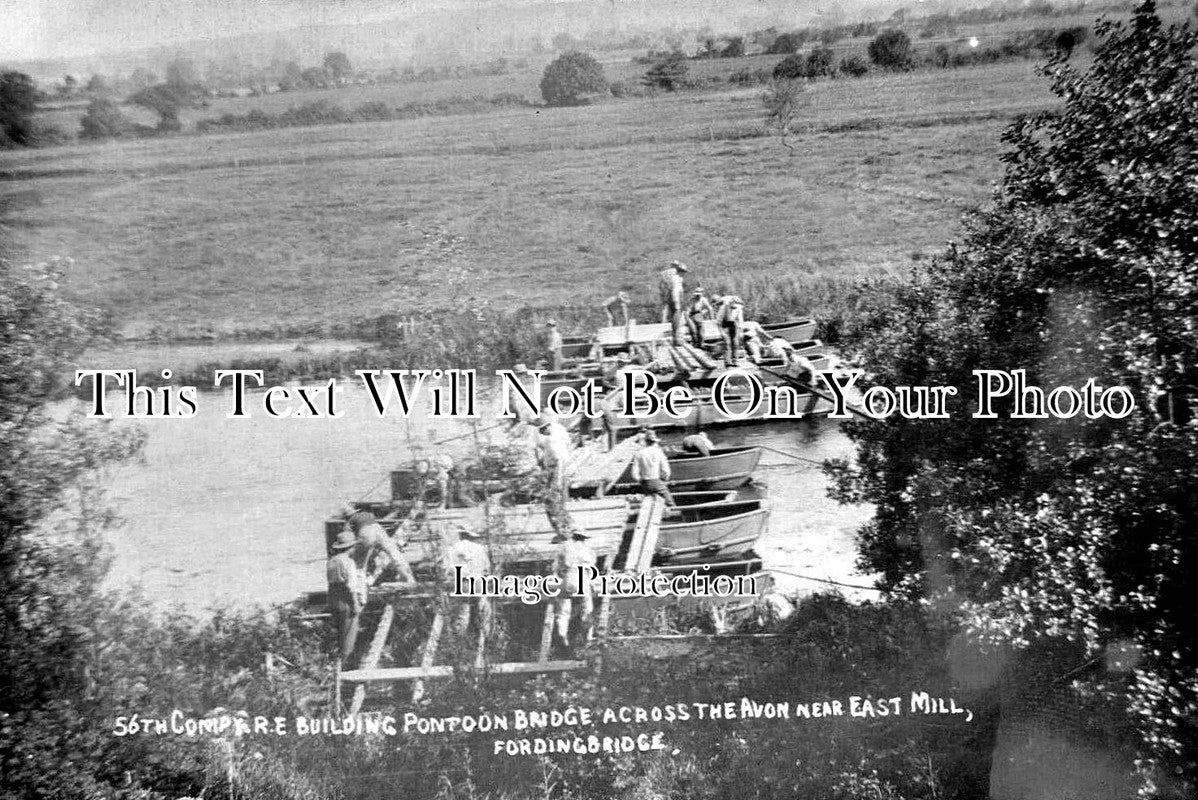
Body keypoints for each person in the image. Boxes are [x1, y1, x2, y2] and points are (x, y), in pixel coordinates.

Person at [327, 529, 367, 665]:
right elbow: (352, 586)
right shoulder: (349, 562)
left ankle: (336, 661)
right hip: (345, 600)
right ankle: (345, 665)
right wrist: (355, 605)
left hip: (333, 598)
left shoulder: (331, 561)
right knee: (349, 634)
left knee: (339, 633)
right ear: (350, 548)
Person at [553, 529, 597, 651]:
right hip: (582, 577)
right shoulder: (588, 549)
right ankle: (588, 637)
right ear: (583, 538)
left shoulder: (564, 547)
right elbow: (592, 567)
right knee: (587, 609)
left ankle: (562, 634)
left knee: (563, 610)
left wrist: (562, 575)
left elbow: (557, 567)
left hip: (569, 577)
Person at [445, 526, 492, 635]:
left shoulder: (452, 549)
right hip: (478, 583)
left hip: (462, 583)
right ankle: (484, 635)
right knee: (482, 608)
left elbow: (448, 570)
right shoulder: (480, 548)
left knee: (463, 612)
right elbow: (486, 568)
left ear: (460, 535)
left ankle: (460, 636)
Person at [347, 509, 415, 585]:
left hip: (365, 532)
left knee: (361, 562)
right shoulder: (367, 514)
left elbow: (348, 537)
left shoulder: (350, 521)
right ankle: (408, 577)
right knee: (394, 554)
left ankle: (359, 583)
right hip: (378, 529)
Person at [631, 429, 674, 508]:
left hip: (645, 483)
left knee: (650, 503)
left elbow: (634, 473)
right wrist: (665, 479)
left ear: (645, 441)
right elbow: (666, 470)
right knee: (670, 503)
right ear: (655, 442)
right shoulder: (659, 452)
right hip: (657, 480)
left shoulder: (639, 453)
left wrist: (640, 480)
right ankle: (673, 511)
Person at [657, 261, 688, 346]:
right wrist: (677, 304)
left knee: (675, 321)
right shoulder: (676, 279)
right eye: (684, 272)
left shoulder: (674, 278)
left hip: (672, 300)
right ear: (681, 271)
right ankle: (678, 340)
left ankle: (676, 339)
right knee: (678, 321)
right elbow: (676, 291)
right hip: (676, 301)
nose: (684, 274)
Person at [716, 295, 746, 364]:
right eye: (733, 306)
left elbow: (740, 320)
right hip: (725, 324)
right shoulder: (724, 308)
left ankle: (735, 360)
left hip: (734, 324)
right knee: (727, 343)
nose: (734, 307)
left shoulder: (739, 308)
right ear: (730, 303)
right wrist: (721, 332)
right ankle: (727, 361)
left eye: (735, 306)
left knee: (735, 343)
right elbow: (718, 322)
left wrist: (741, 332)